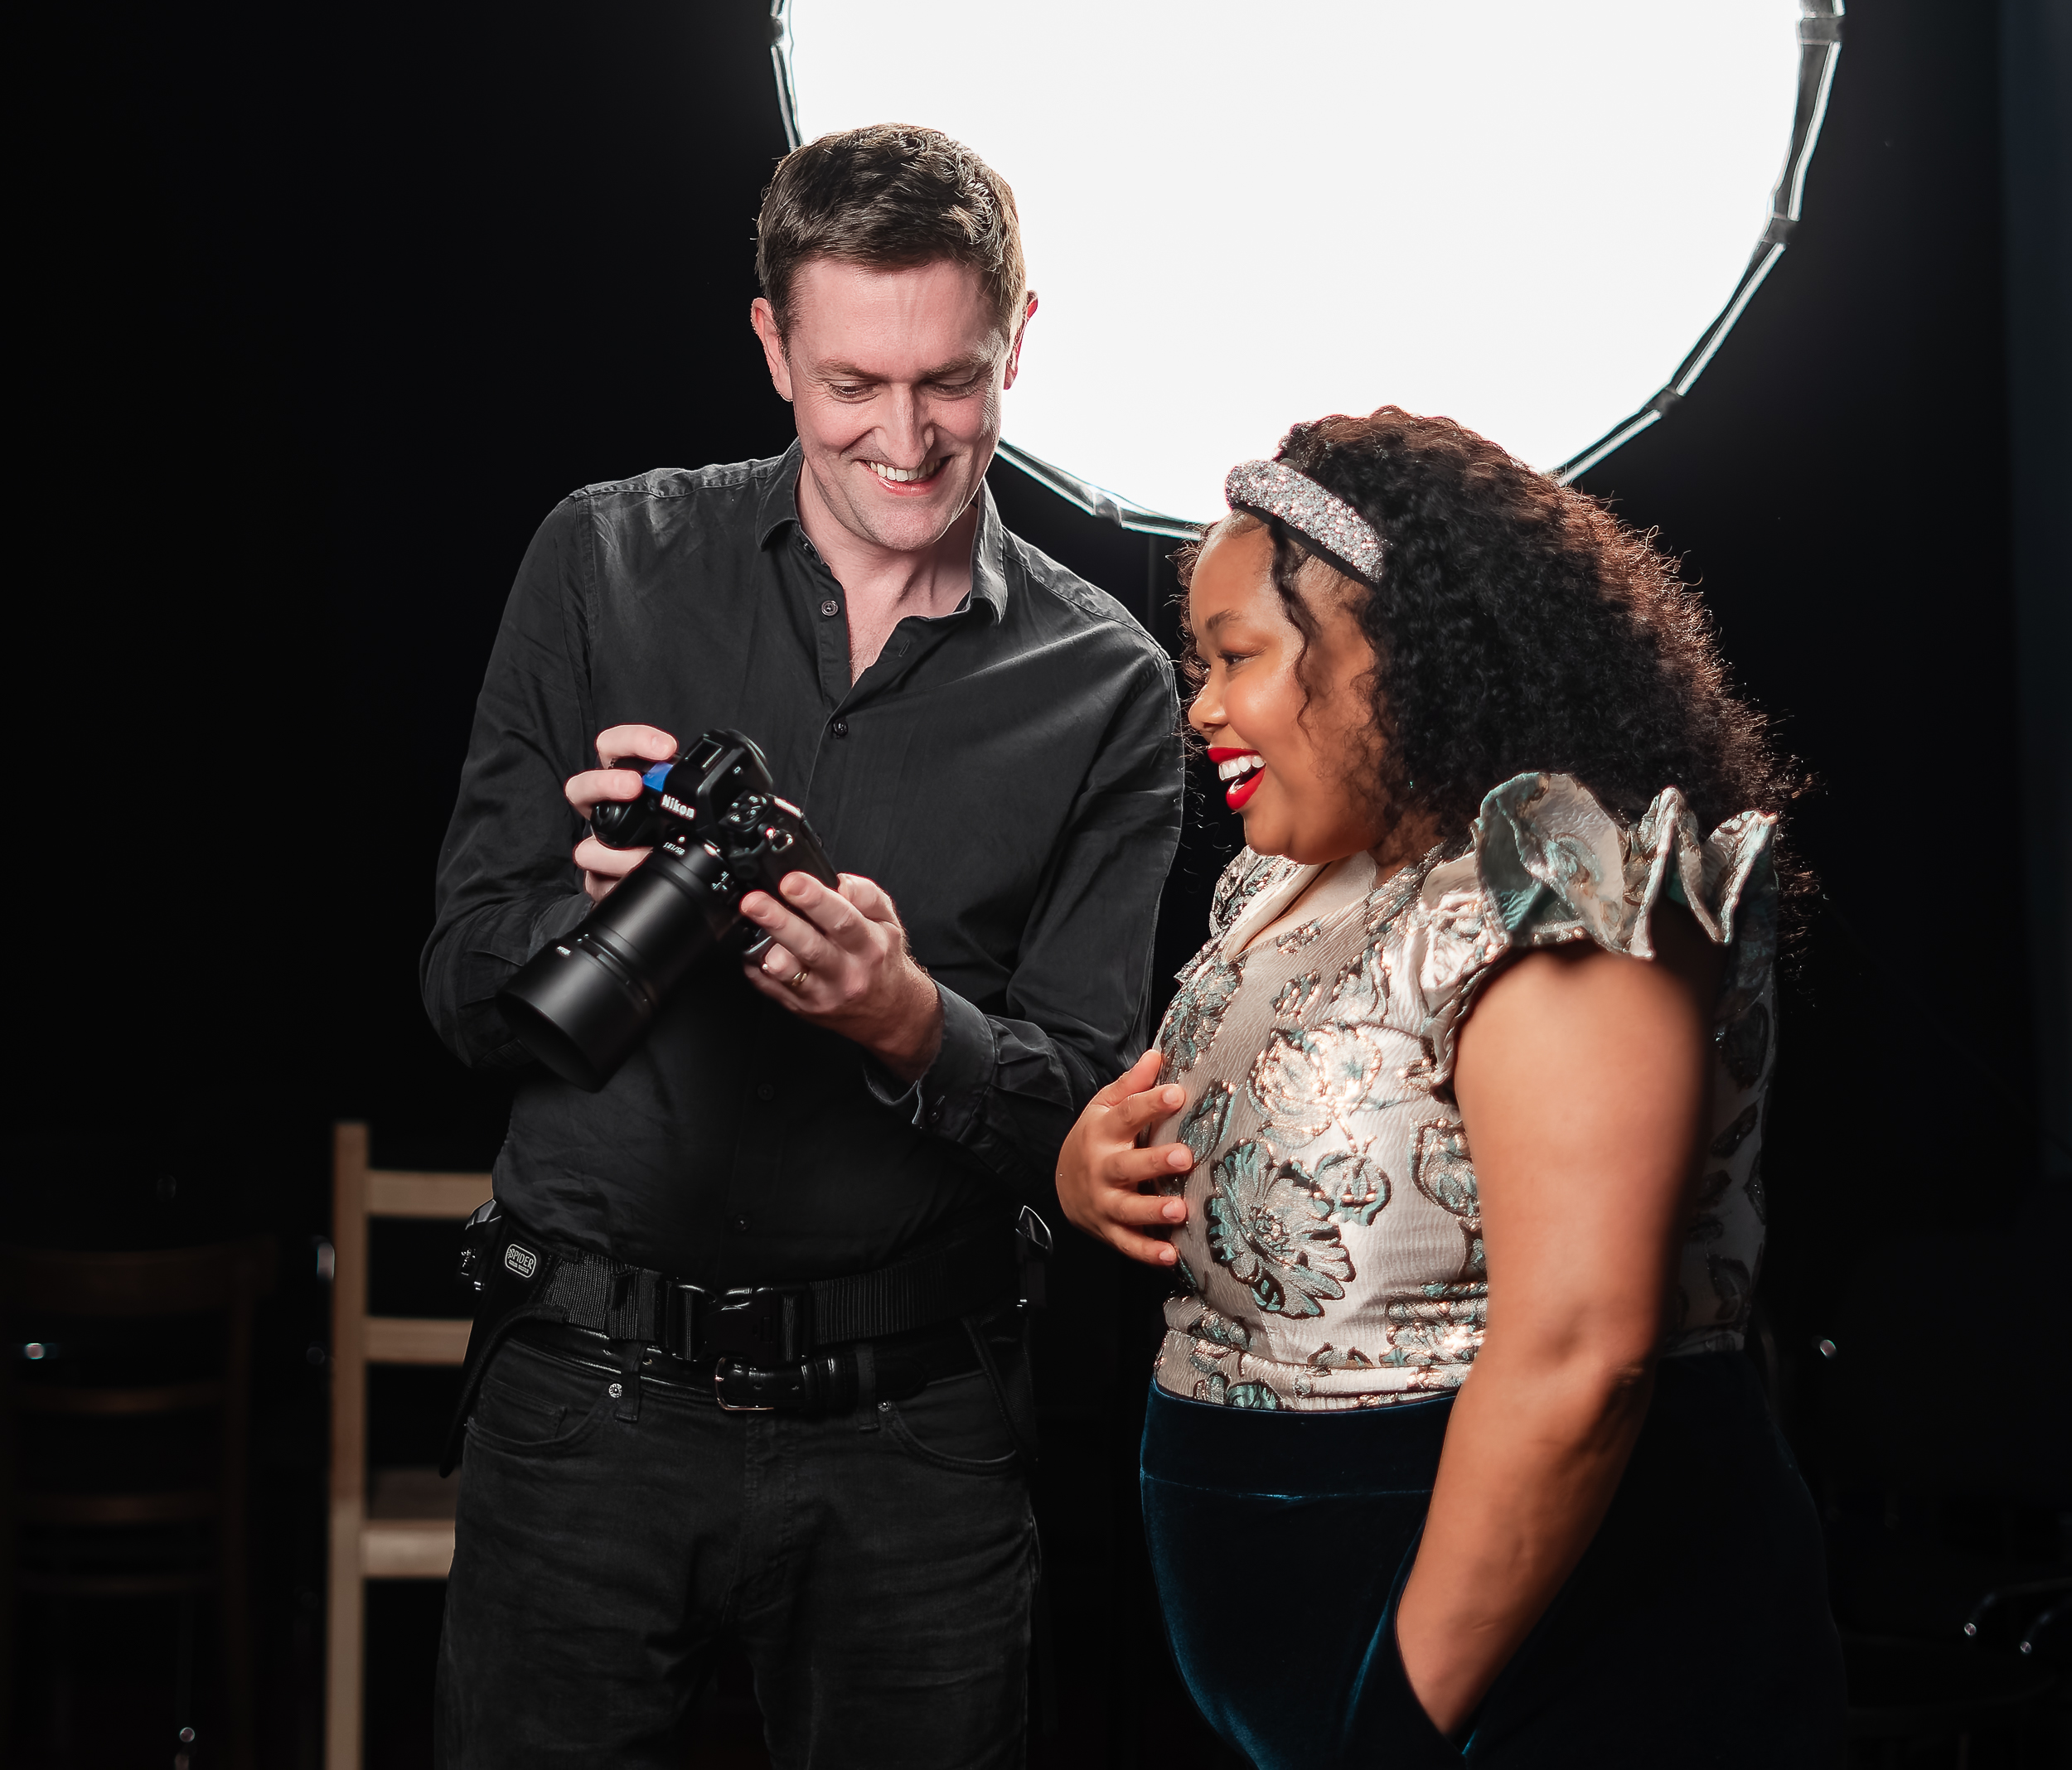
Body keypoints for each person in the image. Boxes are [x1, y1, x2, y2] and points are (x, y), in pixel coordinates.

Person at [421, 124, 1183, 1769]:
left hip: (914, 1428)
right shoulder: (600, 559)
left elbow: (1082, 1120)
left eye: (951, 380)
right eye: (851, 382)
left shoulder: (1111, 683)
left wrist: (907, 1020)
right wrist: (603, 897)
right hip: (586, 1407)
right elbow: (466, 982)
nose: (905, 439)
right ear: (771, 345)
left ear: (1018, 339)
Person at [1057, 410, 1847, 1765]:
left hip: (1540, 1679)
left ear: (1388, 648)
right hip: (1320, 1684)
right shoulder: (1288, 886)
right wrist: (1090, 1166)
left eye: (1238, 655)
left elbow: (1584, 1354)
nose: (1201, 705)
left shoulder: (1564, 886)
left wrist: (1392, 1726)